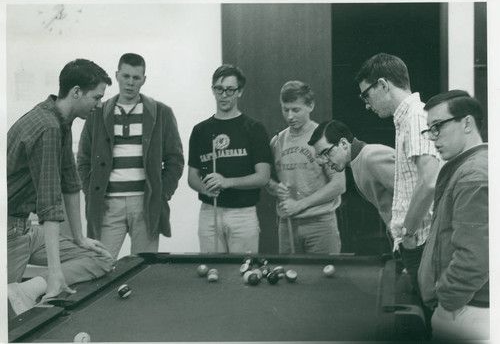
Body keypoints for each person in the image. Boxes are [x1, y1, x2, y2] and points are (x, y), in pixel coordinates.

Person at [7, 59, 114, 317]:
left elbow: (70, 183)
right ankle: (28, 289)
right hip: (8, 235)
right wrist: (55, 274)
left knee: (102, 258)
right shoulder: (48, 127)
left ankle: (30, 288)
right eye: (96, 97)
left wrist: (79, 238)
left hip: (26, 231)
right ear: (76, 92)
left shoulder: (59, 120)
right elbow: (49, 205)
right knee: (7, 320)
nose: (99, 105)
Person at [77, 53, 184, 260]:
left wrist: (161, 193)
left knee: (144, 268)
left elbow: (175, 159)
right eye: (126, 76)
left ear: (144, 79)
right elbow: (83, 160)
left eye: (136, 78)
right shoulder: (98, 113)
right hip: (108, 204)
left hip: (145, 204)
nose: (130, 83)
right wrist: (93, 193)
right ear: (117, 76)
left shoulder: (161, 113)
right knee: (100, 265)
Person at [354, 53, 441, 292]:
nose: (366, 103)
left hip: (421, 242)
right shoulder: (407, 119)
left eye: (366, 94)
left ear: (382, 85)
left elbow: (430, 182)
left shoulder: (416, 117)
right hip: (417, 242)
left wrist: (408, 234)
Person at [418, 90, 488, 341]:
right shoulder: (469, 167)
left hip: (467, 313)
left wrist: (447, 302)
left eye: (437, 126)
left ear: (467, 123)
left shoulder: (474, 176)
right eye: (429, 129)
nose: (433, 137)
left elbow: (475, 256)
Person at [187, 64, 272, 253]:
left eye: (230, 90)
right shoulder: (200, 130)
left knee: (243, 274)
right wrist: (204, 188)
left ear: (239, 91)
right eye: (219, 89)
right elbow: (192, 177)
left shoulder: (254, 129)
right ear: (213, 90)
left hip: (243, 215)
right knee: (212, 272)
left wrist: (227, 182)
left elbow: (263, 177)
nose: (224, 95)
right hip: (210, 212)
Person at [267, 81, 346, 254]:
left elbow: (339, 185)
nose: (289, 116)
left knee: (323, 279)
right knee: (290, 277)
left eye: (296, 110)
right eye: (285, 109)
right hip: (287, 225)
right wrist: (275, 188)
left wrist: (300, 205)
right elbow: (269, 181)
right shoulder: (277, 141)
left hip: (320, 224)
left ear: (310, 106)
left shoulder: (325, 138)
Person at [308, 120, 395, 229]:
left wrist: (409, 232)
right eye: (321, 156)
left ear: (344, 144)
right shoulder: (358, 161)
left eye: (326, 153)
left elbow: (410, 192)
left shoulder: (371, 157)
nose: (324, 161)